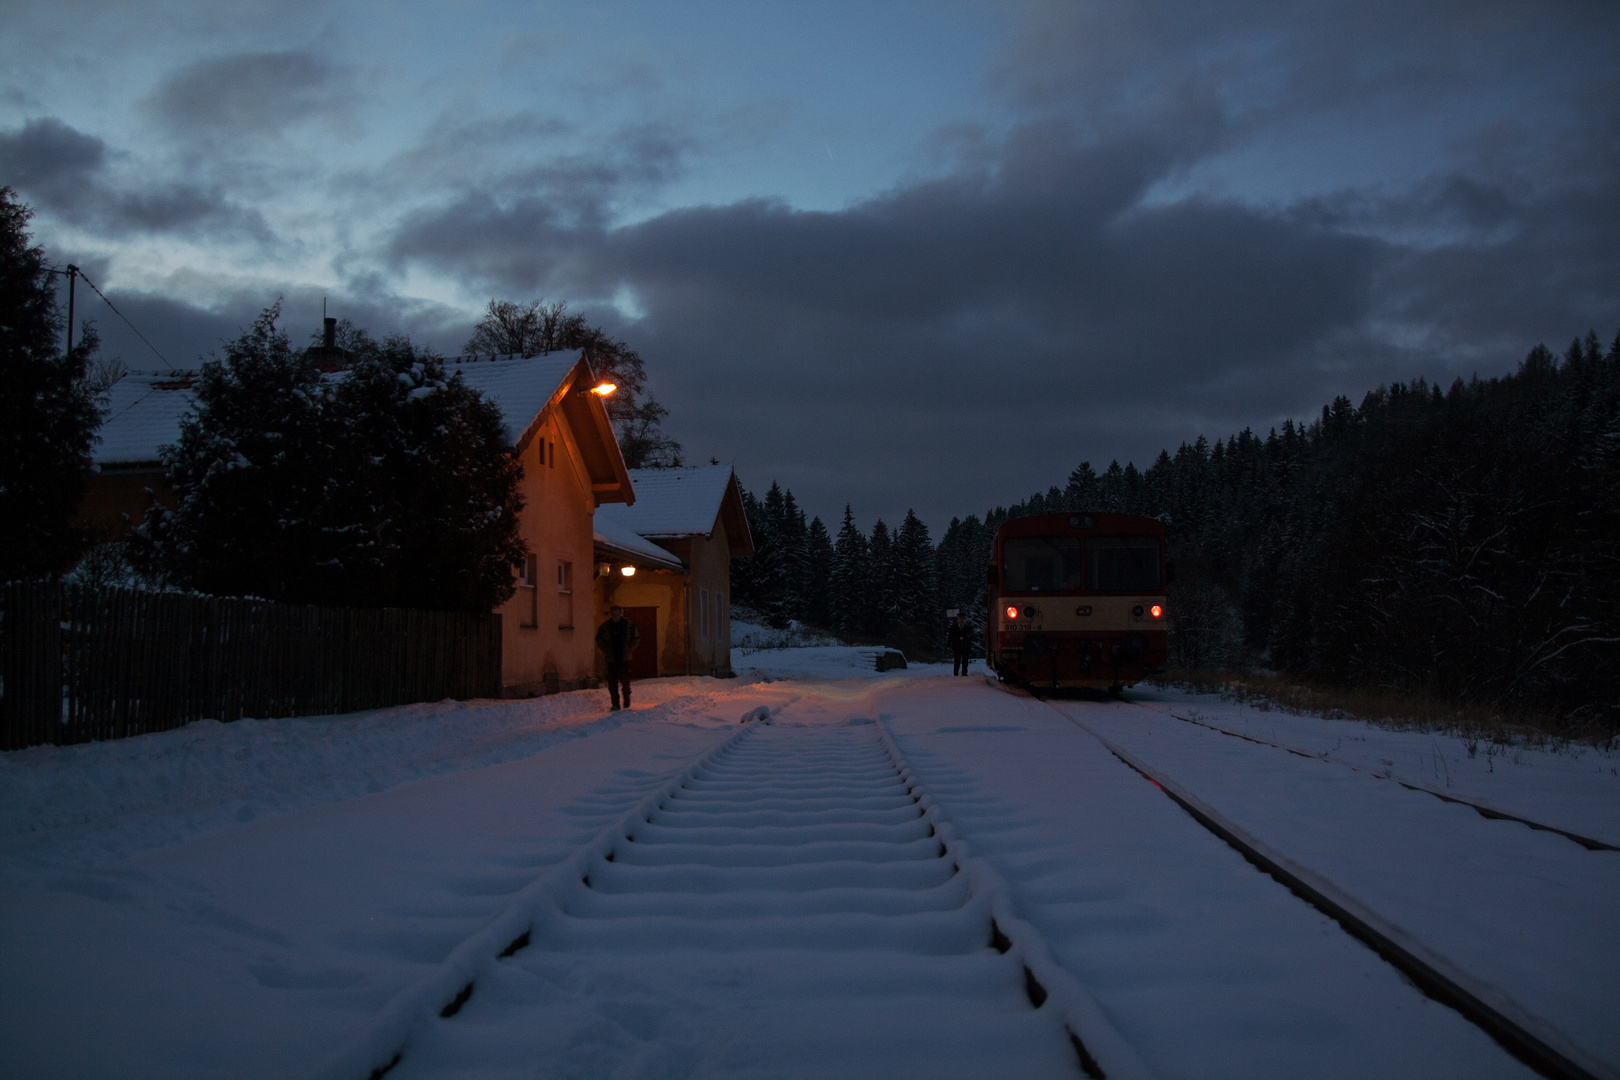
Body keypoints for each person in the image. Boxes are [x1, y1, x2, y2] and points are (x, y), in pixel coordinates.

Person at [596, 605, 640, 709]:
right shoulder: (605, 627)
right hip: (612, 658)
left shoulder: (628, 625)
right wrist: (606, 650)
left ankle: (626, 699)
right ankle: (615, 703)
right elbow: (599, 639)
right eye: (613, 615)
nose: (615, 617)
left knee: (625, 681)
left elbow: (636, 638)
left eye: (617, 614)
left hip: (624, 658)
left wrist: (629, 649)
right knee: (612, 683)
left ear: (621, 614)